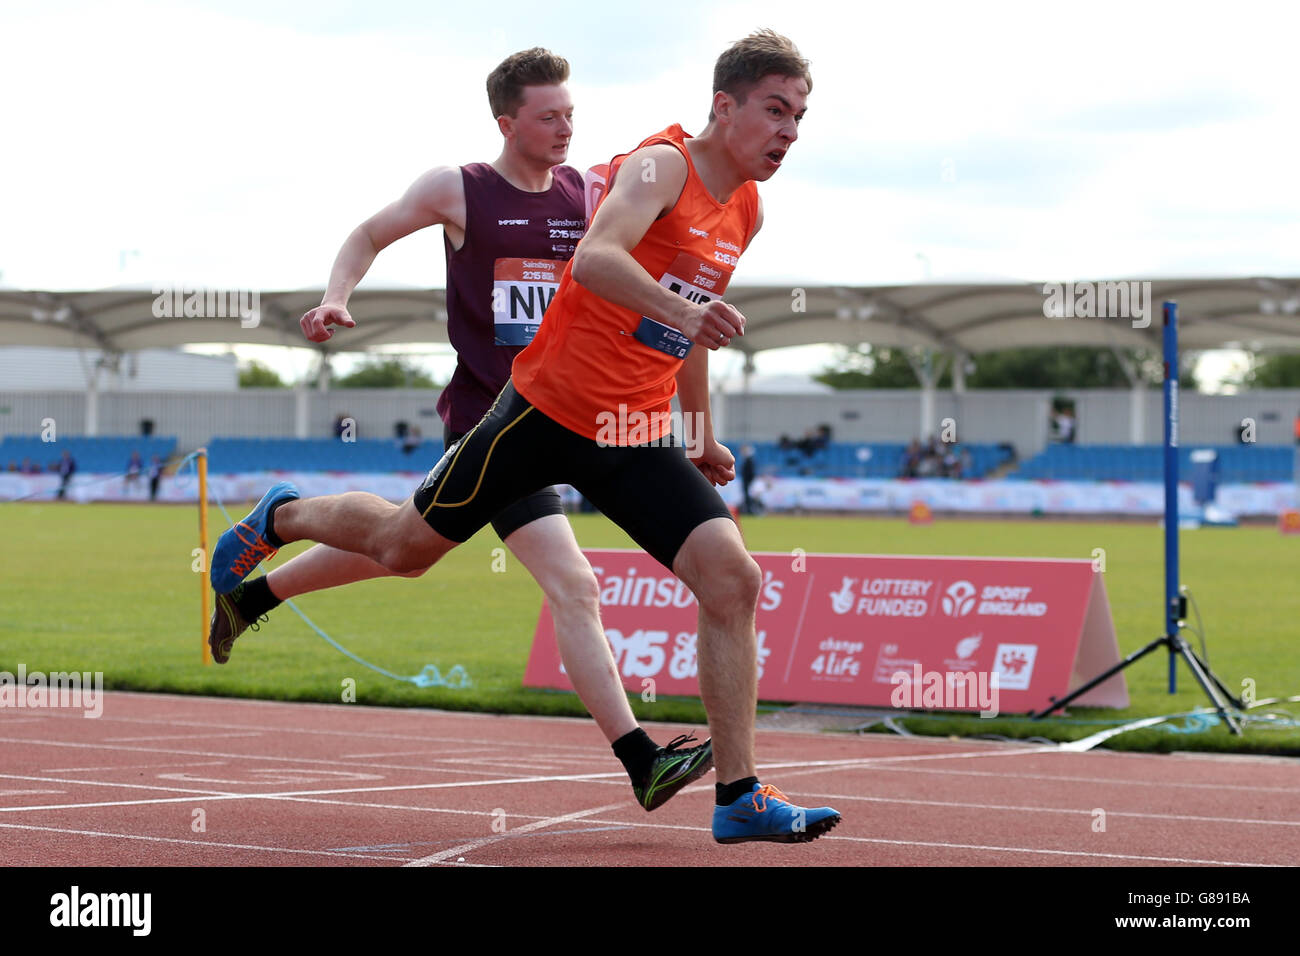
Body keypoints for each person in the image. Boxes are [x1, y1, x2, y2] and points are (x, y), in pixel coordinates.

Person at [212, 30, 839, 844]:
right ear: (725, 107)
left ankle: (740, 795)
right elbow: (598, 261)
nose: (790, 131)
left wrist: (697, 433)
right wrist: (688, 312)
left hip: (630, 430)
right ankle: (282, 517)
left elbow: (689, 332)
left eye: (800, 117)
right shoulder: (661, 167)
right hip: (539, 413)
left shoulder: (746, 207)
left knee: (733, 580)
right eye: (775, 111)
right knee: (404, 548)